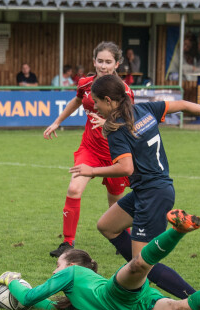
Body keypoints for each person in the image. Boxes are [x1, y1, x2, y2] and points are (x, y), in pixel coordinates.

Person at [69, 74, 200, 300]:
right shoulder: (144, 109)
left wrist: (91, 170)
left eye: (97, 102)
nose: (95, 107)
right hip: (151, 190)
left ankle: (198, 300)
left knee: (143, 264)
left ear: (109, 100)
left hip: (152, 195)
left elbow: (126, 167)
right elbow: (182, 105)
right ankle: (136, 265)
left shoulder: (116, 129)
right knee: (107, 225)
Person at [0, 209, 200, 310]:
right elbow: (41, 303)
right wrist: (19, 298)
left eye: (57, 266)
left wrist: (10, 278)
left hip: (114, 293)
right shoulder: (73, 296)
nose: (54, 271)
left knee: (139, 264)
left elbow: (29, 297)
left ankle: (178, 231)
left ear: (70, 265)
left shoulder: (71, 274)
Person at [43, 42, 133, 258]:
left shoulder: (124, 91)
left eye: (108, 62)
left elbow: (130, 123)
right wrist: (57, 122)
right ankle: (67, 243)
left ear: (117, 64)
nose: (103, 66)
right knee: (74, 189)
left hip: (115, 152)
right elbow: (77, 100)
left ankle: (125, 241)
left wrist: (107, 124)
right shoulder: (85, 84)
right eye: (100, 61)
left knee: (116, 201)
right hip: (90, 149)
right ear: (94, 62)